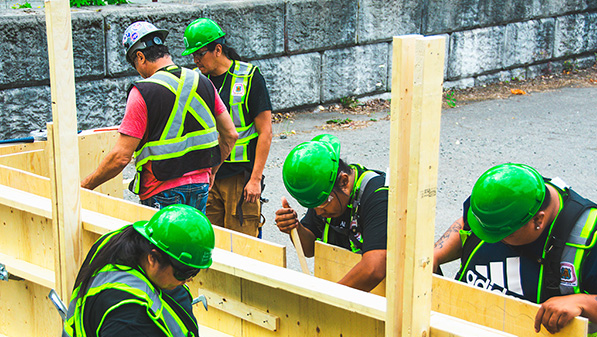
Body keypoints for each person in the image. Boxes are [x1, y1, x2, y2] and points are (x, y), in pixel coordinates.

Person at [55, 204, 224, 337]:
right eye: (183, 272)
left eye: (194, 272)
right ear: (153, 258)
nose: (188, 280)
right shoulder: (131, 315)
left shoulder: (116, 244)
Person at [81, 21, 238, 213]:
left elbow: (120, 158)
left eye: (135, 64)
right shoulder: (203, 82)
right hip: (200, 186)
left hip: (160, 190)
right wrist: (212, 170)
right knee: (194, 241)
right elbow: (231, 134)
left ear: (140, 56)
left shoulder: (143, 92)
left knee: (161, 243)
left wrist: (86, 186)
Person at [433, 163, 597, 337]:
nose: (490, 240)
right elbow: (467, 226)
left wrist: (582, 302)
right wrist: (436, 253)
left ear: (538, 220)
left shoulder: (589, 236)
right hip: (462, 329)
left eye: (503, 234)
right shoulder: (496, 199)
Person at [182, 18, 272, 237]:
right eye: (192, 55)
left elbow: (266, 132)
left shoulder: (249, 77)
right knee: (211, 243)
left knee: (244, 247)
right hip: (209, 175)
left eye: (199, 54)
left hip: (240, 178)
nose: (195, 60)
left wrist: (255, 180)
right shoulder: (198, 81)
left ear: (218, 49)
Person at [275, 134, 388, 292]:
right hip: (351, 294)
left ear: (343, 181)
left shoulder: (379, 196)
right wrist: (294, 227)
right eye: (313, 206)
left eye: (321, 204)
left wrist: (328, 297)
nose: (318, 212)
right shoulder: (324, 194)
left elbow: (374, 268)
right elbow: (309, 249)